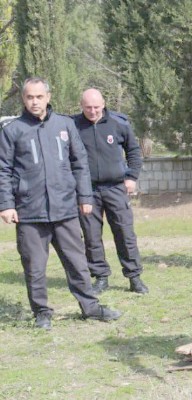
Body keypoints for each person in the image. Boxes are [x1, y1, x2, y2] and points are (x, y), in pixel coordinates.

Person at [0, 78, 122, 329]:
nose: (35, 102)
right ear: (23, 99)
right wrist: (6, 204)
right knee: (34, 267)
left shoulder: (65, 125)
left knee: (77, 263)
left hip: (65, 208)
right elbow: (3, 170)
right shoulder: (12, 130)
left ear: (48, 96)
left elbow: (80, 164)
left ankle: (90, 307)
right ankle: (42, 312)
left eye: (39, 97)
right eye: (29, 97)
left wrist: (85, 197)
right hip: (29, 211)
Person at [73, 88, 148, 295]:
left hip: (116, 187)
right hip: (87, 191)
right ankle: (100, 277)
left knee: (125, 233)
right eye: (88, 107)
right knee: (91, 236)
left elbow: (133, 151)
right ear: (82, 106)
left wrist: (132, 177)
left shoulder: (119, 123)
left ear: (104, 104)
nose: (93, 111)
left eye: (96, 107)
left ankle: (134, 277)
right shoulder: (73, 126)